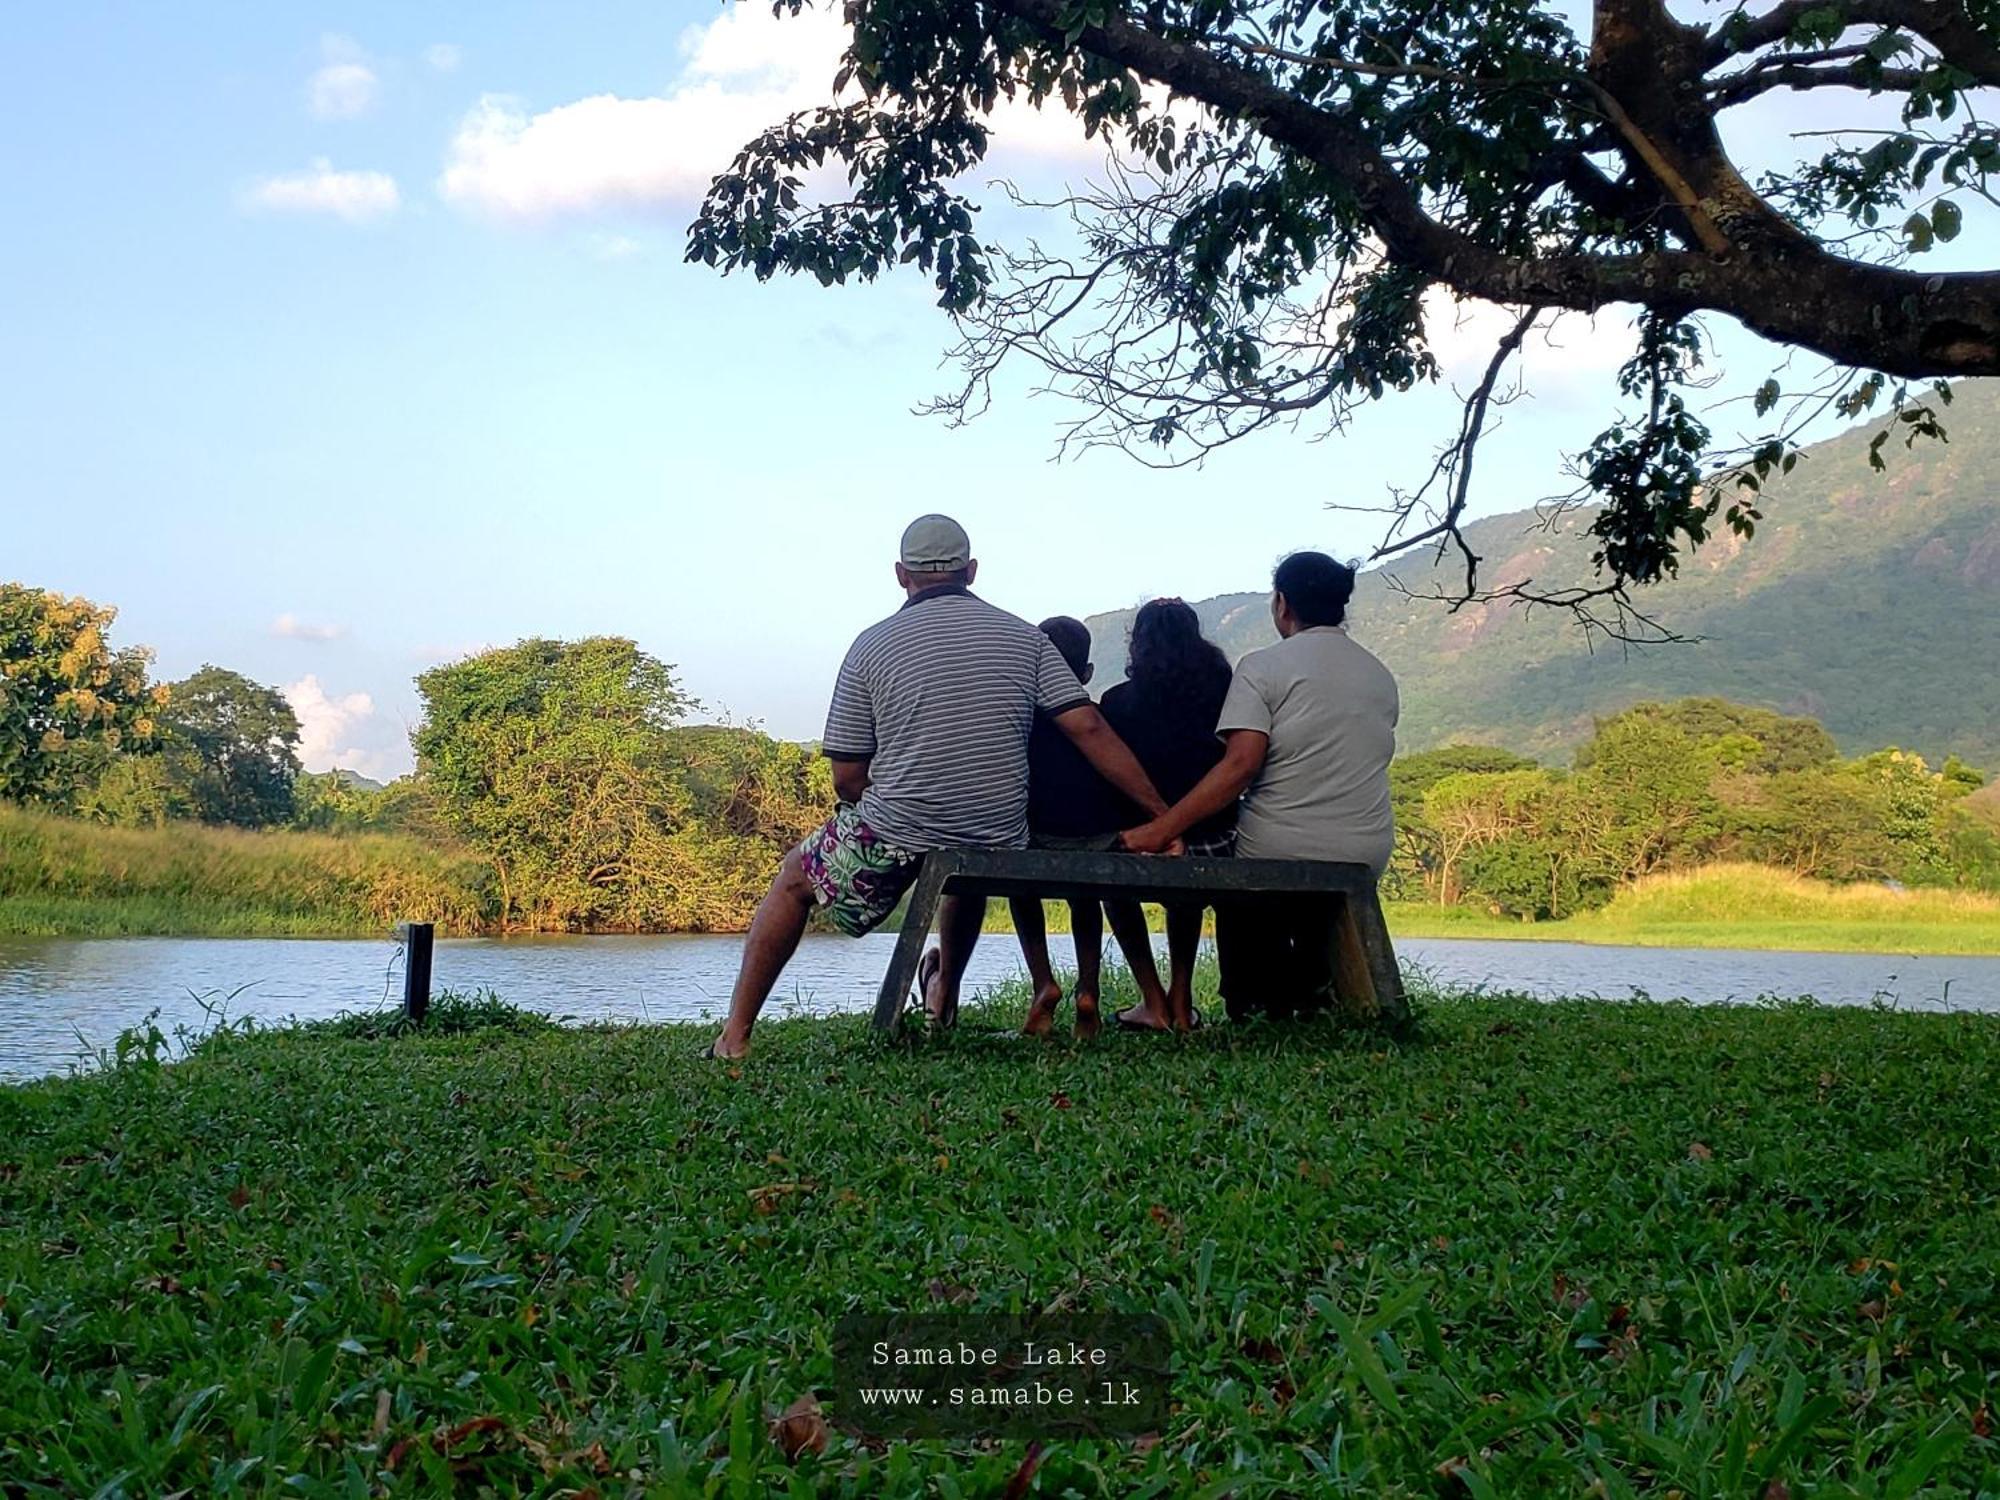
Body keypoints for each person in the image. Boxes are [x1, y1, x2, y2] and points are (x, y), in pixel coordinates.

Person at [709, 515, 1171, 1059]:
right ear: (971, 571)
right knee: (966, 869)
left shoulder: (871, 645)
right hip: (998, 833)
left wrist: (897, 806)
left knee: (793, 879)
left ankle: (734, 1036)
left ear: (901, 575)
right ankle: (944, 996)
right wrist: (1161, 816)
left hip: (899, 826)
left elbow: (846, 776)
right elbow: (1089, 729)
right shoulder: (1027, 639)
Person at [1123, 552, 1397, 1021]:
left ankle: (1248, 996)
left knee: (1236, 856)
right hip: (1369, 848)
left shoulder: (1264, 666)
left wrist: (1160, 828)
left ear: (1282, 605)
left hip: (1280, 845)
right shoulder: (1379, 675)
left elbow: (1239, 767)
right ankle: (1313, 987)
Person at [1097, 598, 1238, 1031]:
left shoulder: (1117, 702)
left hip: (1138, 839)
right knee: (1186, 891)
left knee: (1112, 886)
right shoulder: (1222, 690)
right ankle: (1181, 996)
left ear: (1137, 644)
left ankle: (1152, 998)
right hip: (1214, 836)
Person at [1008, 617, 1124, 1040]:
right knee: (1085, 899)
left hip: (1034, 835)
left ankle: (1044, 982)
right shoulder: (1099, 718)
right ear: (1087, 674)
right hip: (1093, 837)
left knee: (1021, 892)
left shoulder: (1022, 722)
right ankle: (1088, 989)